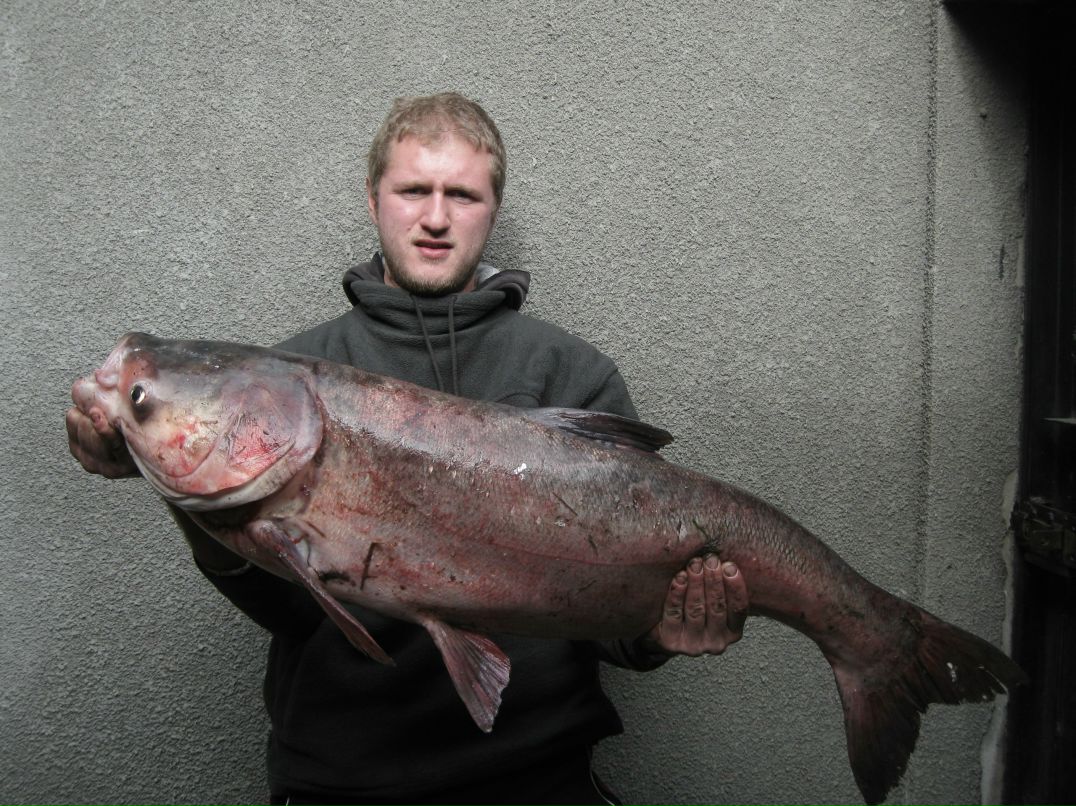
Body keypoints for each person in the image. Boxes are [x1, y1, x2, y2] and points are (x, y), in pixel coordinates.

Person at [67, 92, 749, 805]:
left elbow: (616, 632)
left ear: (493, 207)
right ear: (372, 200)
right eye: (413, 190)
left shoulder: (571, 374)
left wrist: (661, 629)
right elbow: (292, 611)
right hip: (341, 782)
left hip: (541, 778)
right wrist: (167, 478)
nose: (434, 216)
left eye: (462, 194)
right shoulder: (283, 381)